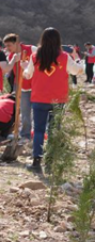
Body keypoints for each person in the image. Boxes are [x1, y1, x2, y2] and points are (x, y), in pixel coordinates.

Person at [22, 28, 83, 173]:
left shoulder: (35, 56)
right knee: (54, 130)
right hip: (58, 100)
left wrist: (24, 68)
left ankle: (36, 161)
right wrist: (77, 56)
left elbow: (27, 75)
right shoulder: (64, 57)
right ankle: (50, 163)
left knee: (38, 130)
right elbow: (78, 71)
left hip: (39, 98)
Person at [3, 34, 35, 142]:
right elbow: (7, 71)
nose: (7, 48)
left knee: (38, 111)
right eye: (6, 46)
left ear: (16, 43)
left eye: (9, 45)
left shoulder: (31, 49)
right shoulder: (11, 56)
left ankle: (39, 133)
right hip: (20, 86)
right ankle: (25, 135)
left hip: (35, 84)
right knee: (24, 111)